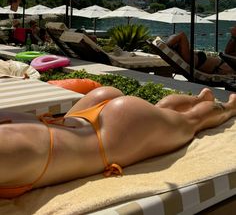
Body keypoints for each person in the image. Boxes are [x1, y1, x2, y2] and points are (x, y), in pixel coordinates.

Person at [1, 85, 236, 199]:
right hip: (81, 117)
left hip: (114, 135)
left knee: (192, 121)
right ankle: (198, 98)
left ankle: (228, 107)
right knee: (160, 112)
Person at [166, 31, 236, 75]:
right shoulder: (187, 56)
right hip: (222, 68)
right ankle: (234, 36)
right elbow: (182, 34)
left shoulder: (187, 55)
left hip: (223, 65)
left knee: (231, 52)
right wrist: (167, 44)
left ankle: (234, 36)